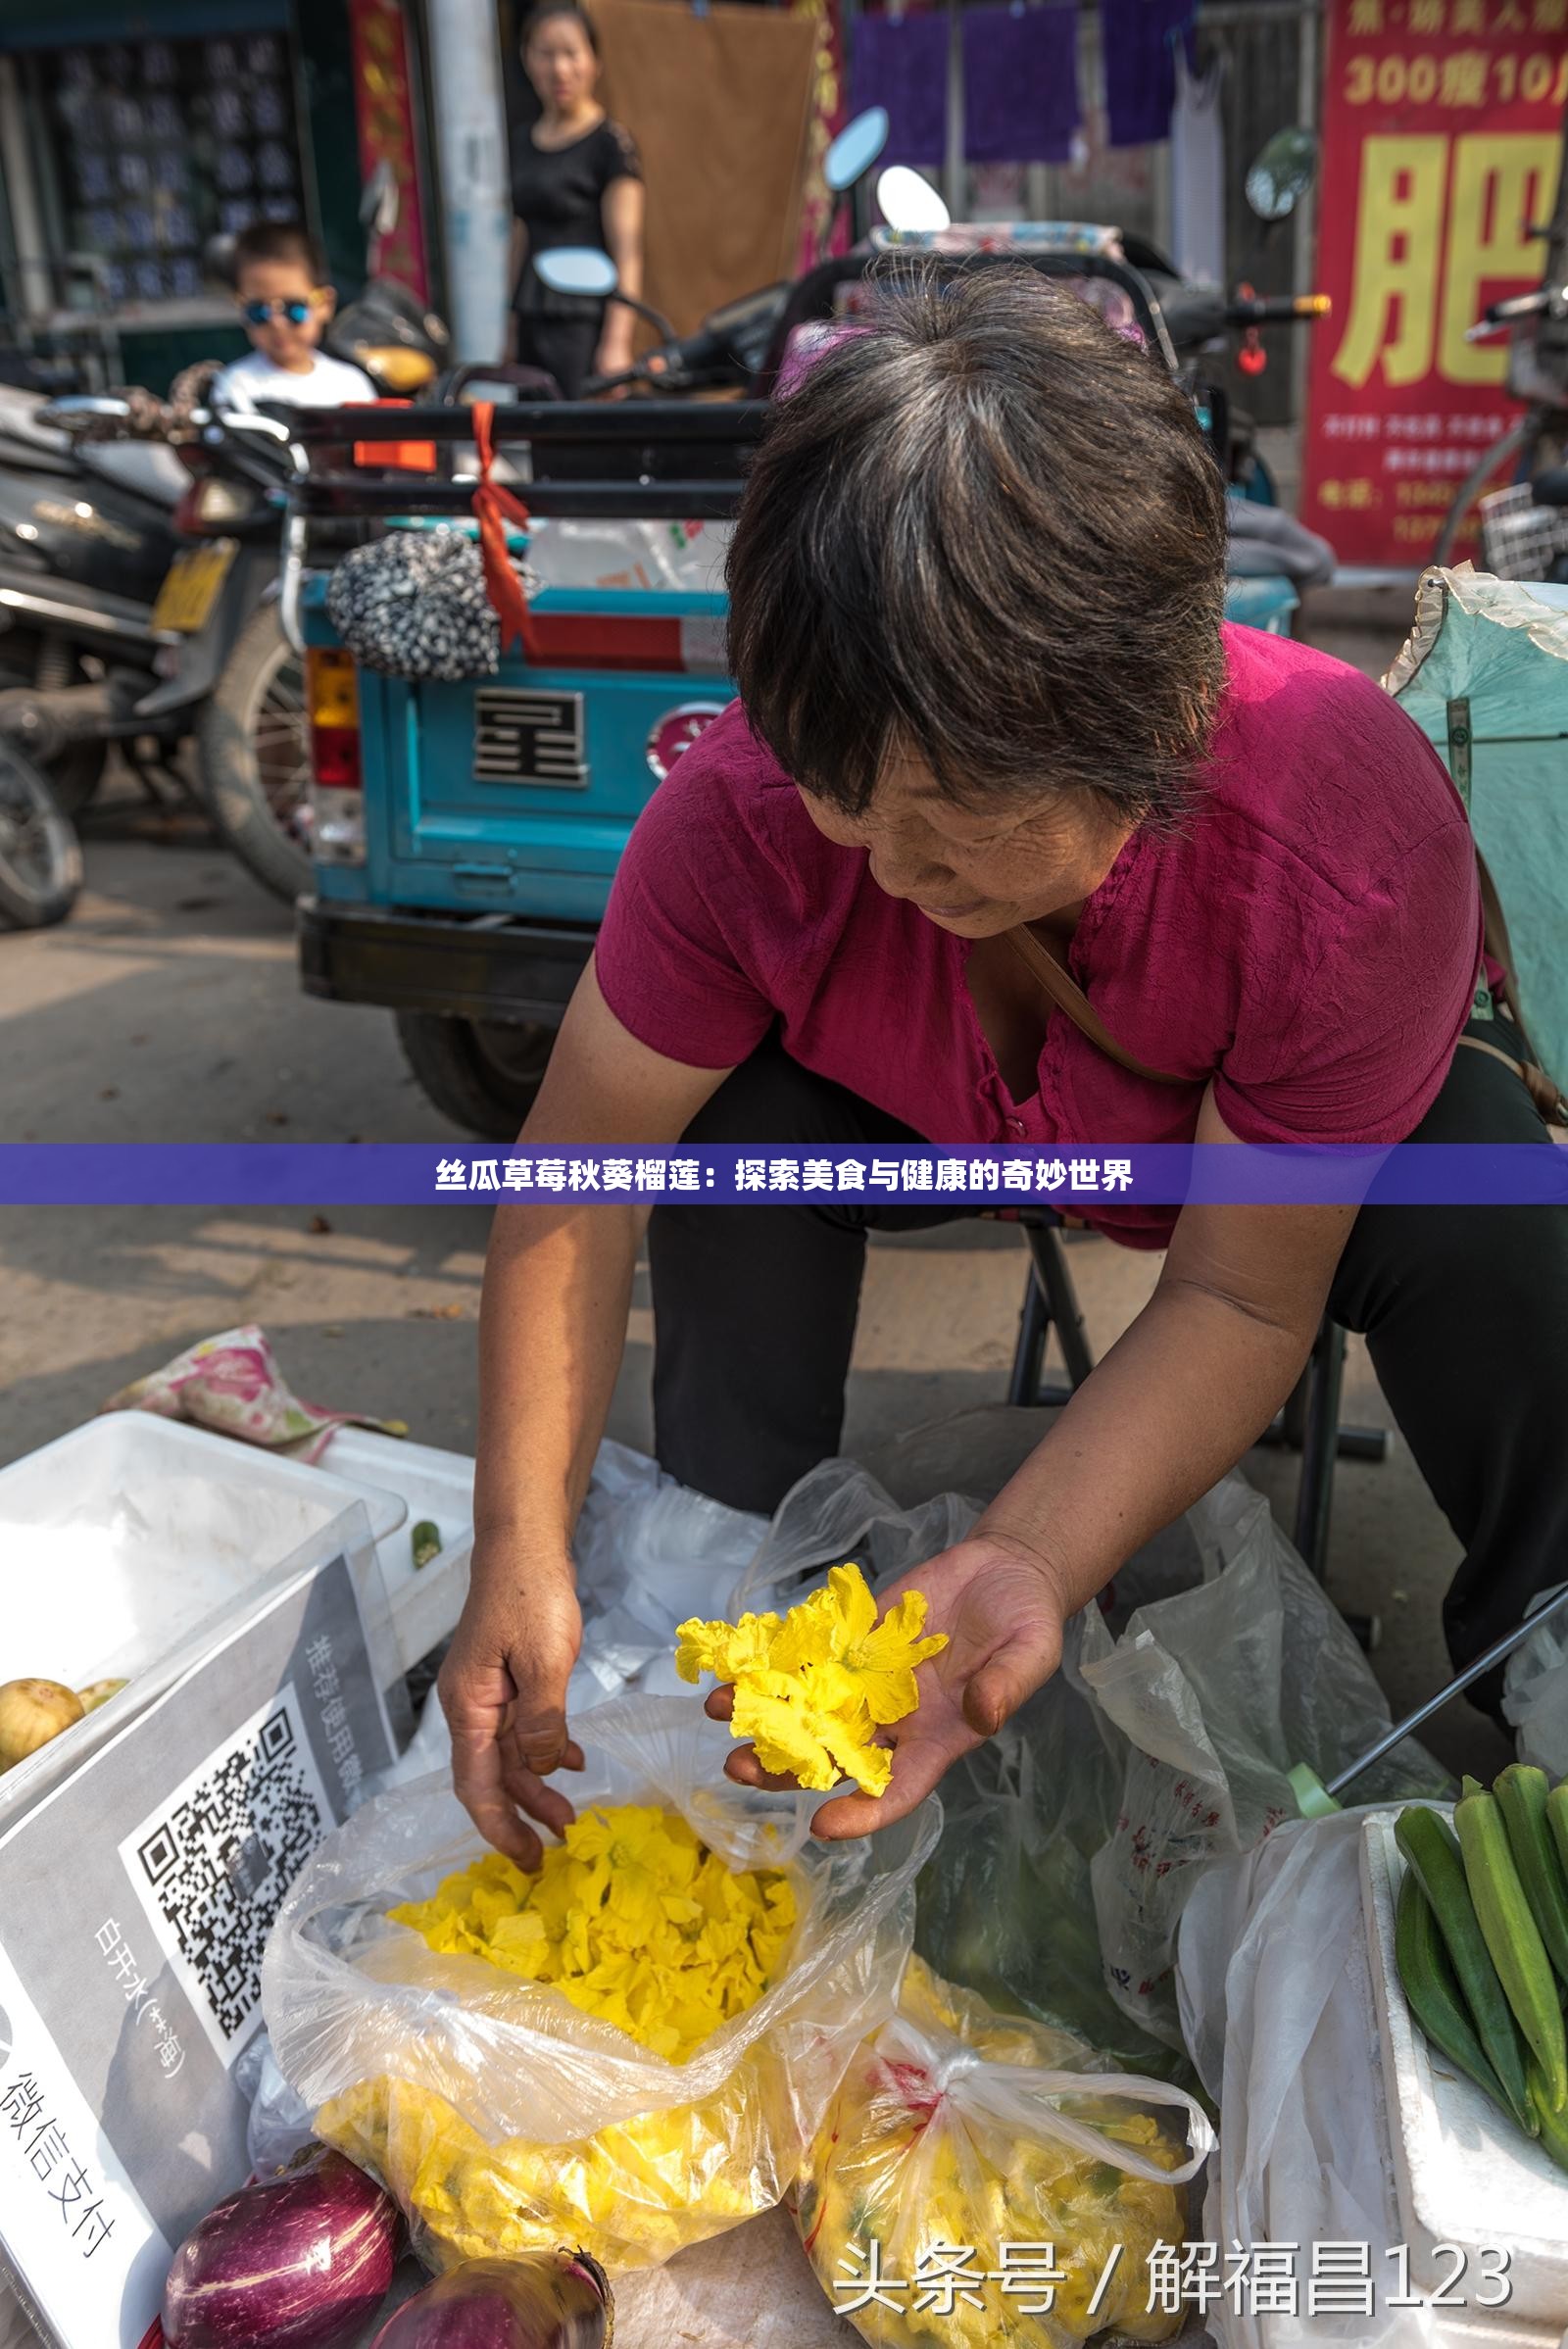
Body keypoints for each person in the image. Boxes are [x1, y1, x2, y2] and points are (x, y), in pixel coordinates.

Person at [439, 267, 1568, 1870]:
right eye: (847, 795)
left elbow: (1245, 1298)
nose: (888, 864)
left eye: (954, 817)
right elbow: (576, 1175)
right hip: (919, 1119)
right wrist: (519, 1538)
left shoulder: (1344, 838)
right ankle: (731, 1584)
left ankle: (1547, 1648)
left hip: (1223, 1145)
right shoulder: (749, 814)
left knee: (1491, 1204)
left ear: (1155, 714)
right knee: (725, 1132)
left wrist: (1029, 1548)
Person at [510, 1, 645, 397]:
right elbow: (520, 236)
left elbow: (629, 251)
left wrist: (617, 341)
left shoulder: (610, 145)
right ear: (527, 59)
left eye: (571, 53)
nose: (560, 69)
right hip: (532, 317)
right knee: (537, 437)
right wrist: (509, 325)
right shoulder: (522, 141)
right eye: (546, 54)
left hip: (583, 325)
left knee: (582, 443)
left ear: (594, 61)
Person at [211, 221, 376, 412]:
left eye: (293, 309)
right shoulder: (235, 387)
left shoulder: (351, 385)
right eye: (257, 311)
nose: (276, 323)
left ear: (325, 305)